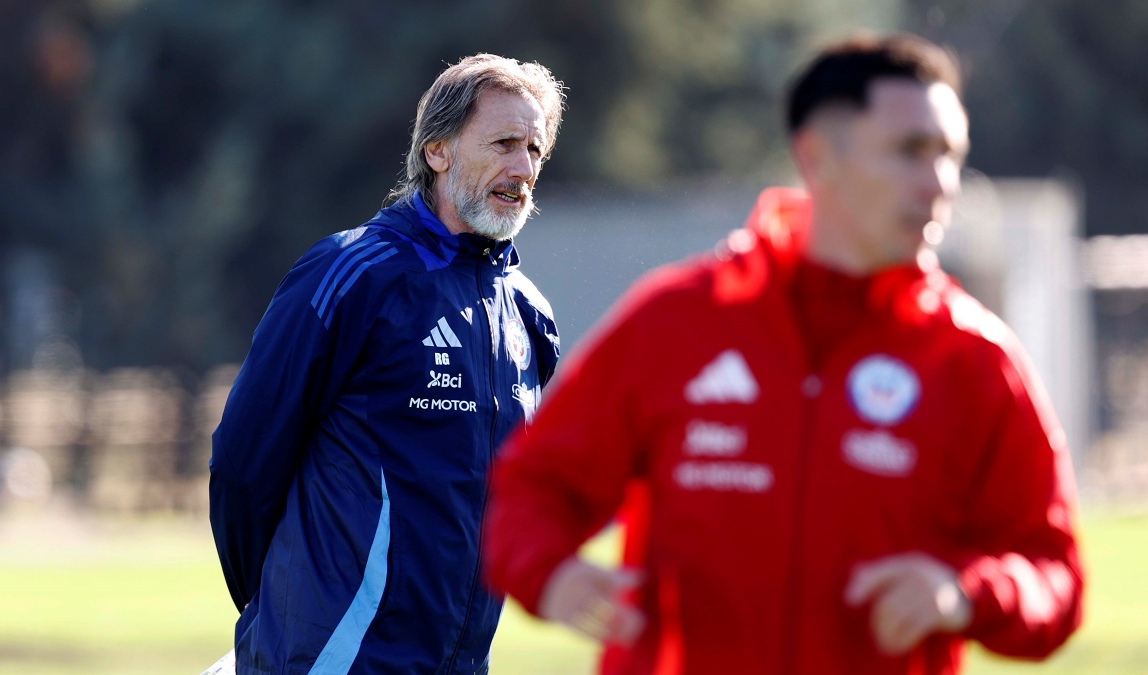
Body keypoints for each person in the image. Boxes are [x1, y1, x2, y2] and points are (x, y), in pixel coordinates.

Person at [483, 33, 1083, 675]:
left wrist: (966, 591)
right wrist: (551, 574)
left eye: (950, 156)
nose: (939, 183)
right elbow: (532, 487)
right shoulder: (678, 323)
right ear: (817, 157)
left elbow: (1055, 575)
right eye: (911, 151)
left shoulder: (975, 359)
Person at [209, 53, 564, 674]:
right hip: (330, 658)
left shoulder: (529, 317)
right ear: (438, 151)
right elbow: (243, 462)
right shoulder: (354, 274)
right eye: (504, 143)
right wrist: (280, 615)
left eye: (535, 150)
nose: (523, 168)